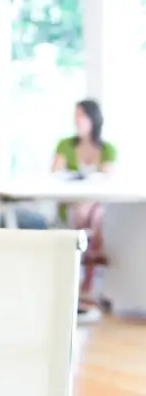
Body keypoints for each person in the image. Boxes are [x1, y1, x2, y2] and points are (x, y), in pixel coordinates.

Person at [52, 99, 117, 321]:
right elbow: (55, 172)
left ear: (93, 119)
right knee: (85, 212)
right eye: (75, 115)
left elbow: (109, 177)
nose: (77, 120)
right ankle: (87, 284)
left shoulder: (107, 149)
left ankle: (86, 286)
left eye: (82, 115)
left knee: (93, 212)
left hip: (96, 207)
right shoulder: (65, 145)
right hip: (70, 206)